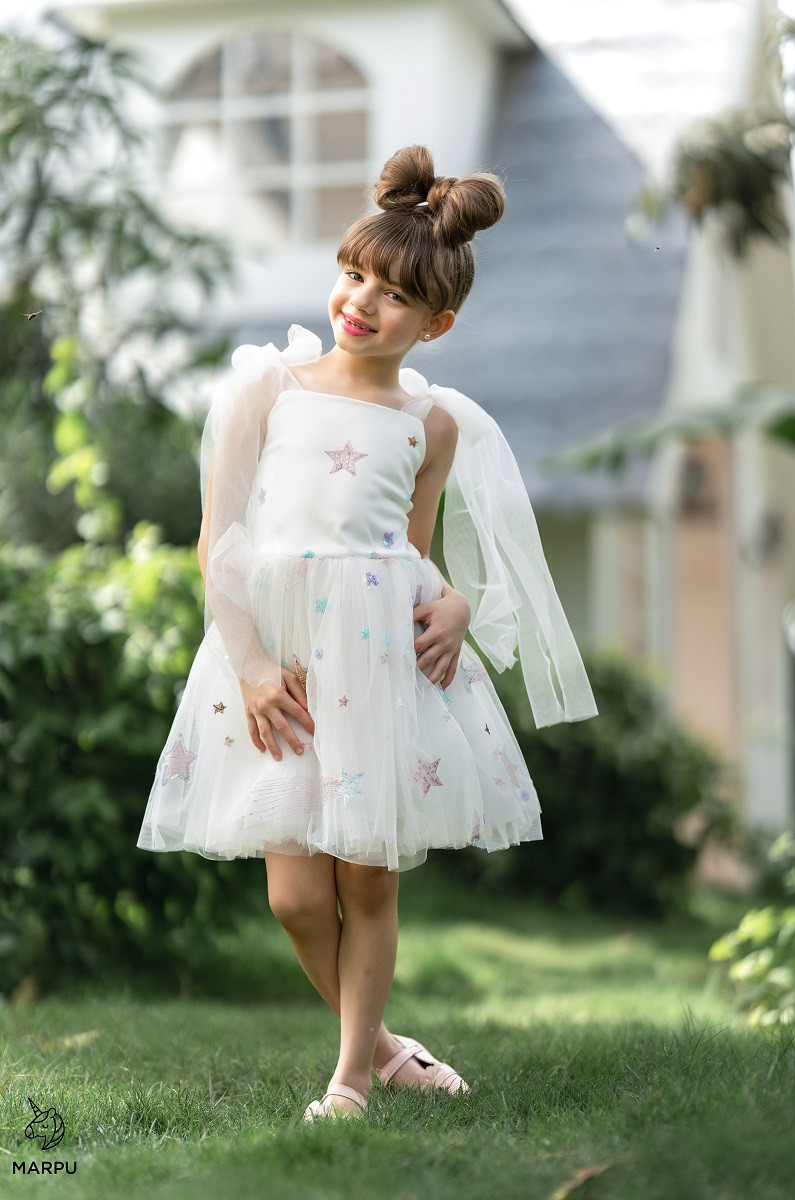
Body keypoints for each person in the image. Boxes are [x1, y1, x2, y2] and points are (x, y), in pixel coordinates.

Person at [136, 145, 598, 1122]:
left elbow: (410, 552)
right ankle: (387, 1049)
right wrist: (250, 666)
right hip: (281, 661)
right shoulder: (269, 387)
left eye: (393, 295)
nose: (361, 302)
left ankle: (348, 1078)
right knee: (297, 899)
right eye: (354, 275)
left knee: (369, 881)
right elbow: (220, 539)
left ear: (436, 323)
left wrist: (457, 603)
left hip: (380, 663)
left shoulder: (432, 424)